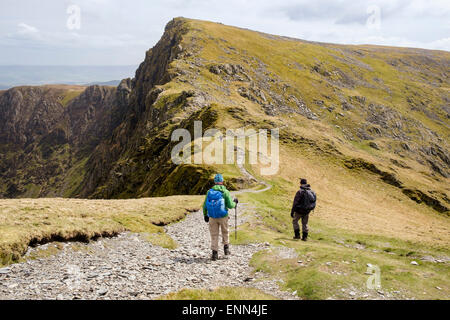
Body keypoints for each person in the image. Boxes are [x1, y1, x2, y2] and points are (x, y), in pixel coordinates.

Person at [203, 174, 238, 261]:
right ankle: (226, 249)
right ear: (222, 181)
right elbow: (230, 205)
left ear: (215, 182)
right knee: (225, 232)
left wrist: (205, 215)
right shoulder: (225, 192)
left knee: (214, 234)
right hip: (223, 216)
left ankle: (214, 253)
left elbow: (204, 205)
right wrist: (235, 203)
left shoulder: (209, 192)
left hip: (212, 217)